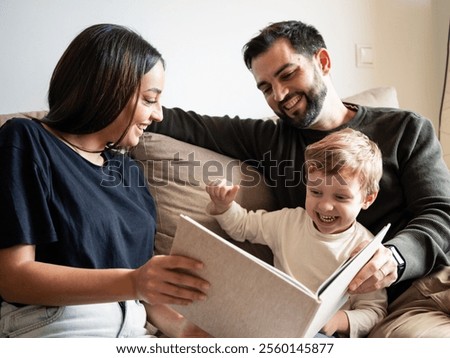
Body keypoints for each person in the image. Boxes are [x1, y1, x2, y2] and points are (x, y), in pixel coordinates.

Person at [148, 20, 450, 337]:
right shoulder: (269, 140)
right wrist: (128, 106)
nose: (279, 94)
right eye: (265, 87)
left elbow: (440, 213)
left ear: (323, 62)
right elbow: (188, 124)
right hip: (397, 311)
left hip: (432, 277)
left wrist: (396, 257)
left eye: (288, 74)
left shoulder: (406, 129)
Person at [0, 23, 210, 338]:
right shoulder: (26, 140)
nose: (159, 115)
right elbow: (13, 277)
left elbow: (144, 291)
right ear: (109, 90)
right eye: (150, 99)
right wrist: (134, 282)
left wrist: (188, 332)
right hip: (58, 325)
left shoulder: (128, 173)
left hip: (133, 331)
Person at [206, 128, 387, 338]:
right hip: (272, 319)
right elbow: (243, 226)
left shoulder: (366, 249)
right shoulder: (288, 222)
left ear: (367, 199)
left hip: (322, 334)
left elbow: (375, 312)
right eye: (316, 192)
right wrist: (224, 206)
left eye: (341, 197)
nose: (325, 206)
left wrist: (338, 321)